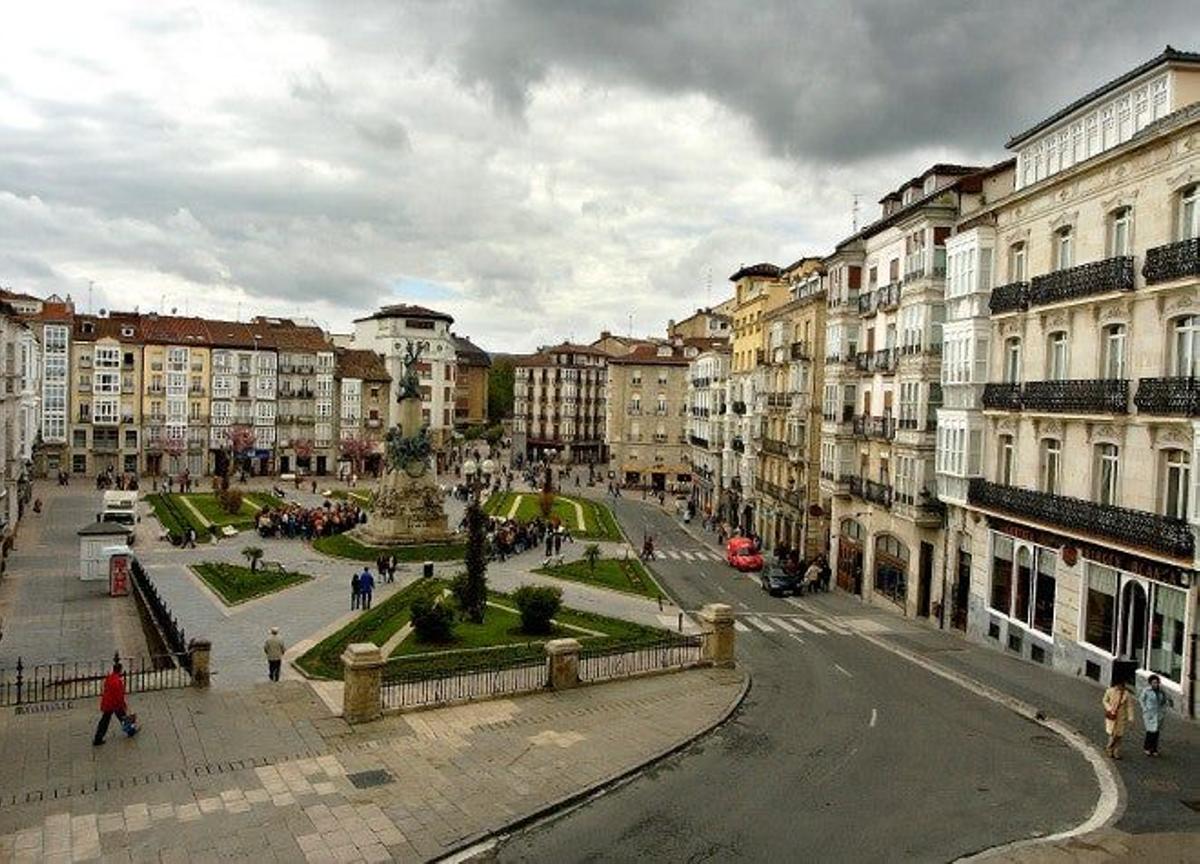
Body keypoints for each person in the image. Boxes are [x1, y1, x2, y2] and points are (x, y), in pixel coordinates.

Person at [93, 661, 134, 745]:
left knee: (105, 720)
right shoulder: (117, 681)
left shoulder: (109, 677)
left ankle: (98, 737)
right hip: (115, 703)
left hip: (108, 702)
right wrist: (122, 704)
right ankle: (130, 731)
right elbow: (119, 694)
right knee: (122, 717)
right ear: (120, 670)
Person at [1102, 676, 1136, 759]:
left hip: (1121, 717)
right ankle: (1109, 748)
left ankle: (1116, 751)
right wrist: (1109, 708)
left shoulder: (1126, 694)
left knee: (1119, 735)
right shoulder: (1110, 691)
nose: (1120, 686)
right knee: (1112, 734)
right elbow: (1105, 700)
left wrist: (1131, 717)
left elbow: (1129, 706)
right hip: (1112, 716)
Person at [1139, 675, 1167, 756]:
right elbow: (1141, 700)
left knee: (1156, 732)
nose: (1156, 684)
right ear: (1150, 683)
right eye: (1154, 683)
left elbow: (1164, 701)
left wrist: (1163, 711)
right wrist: (1145, 709)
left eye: (1157, 682)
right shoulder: (1147, 691)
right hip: (1149, 714)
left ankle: (1154, 749)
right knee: (1150, 731)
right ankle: (1147, 748)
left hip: (1158, 714)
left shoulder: (1161, 691)